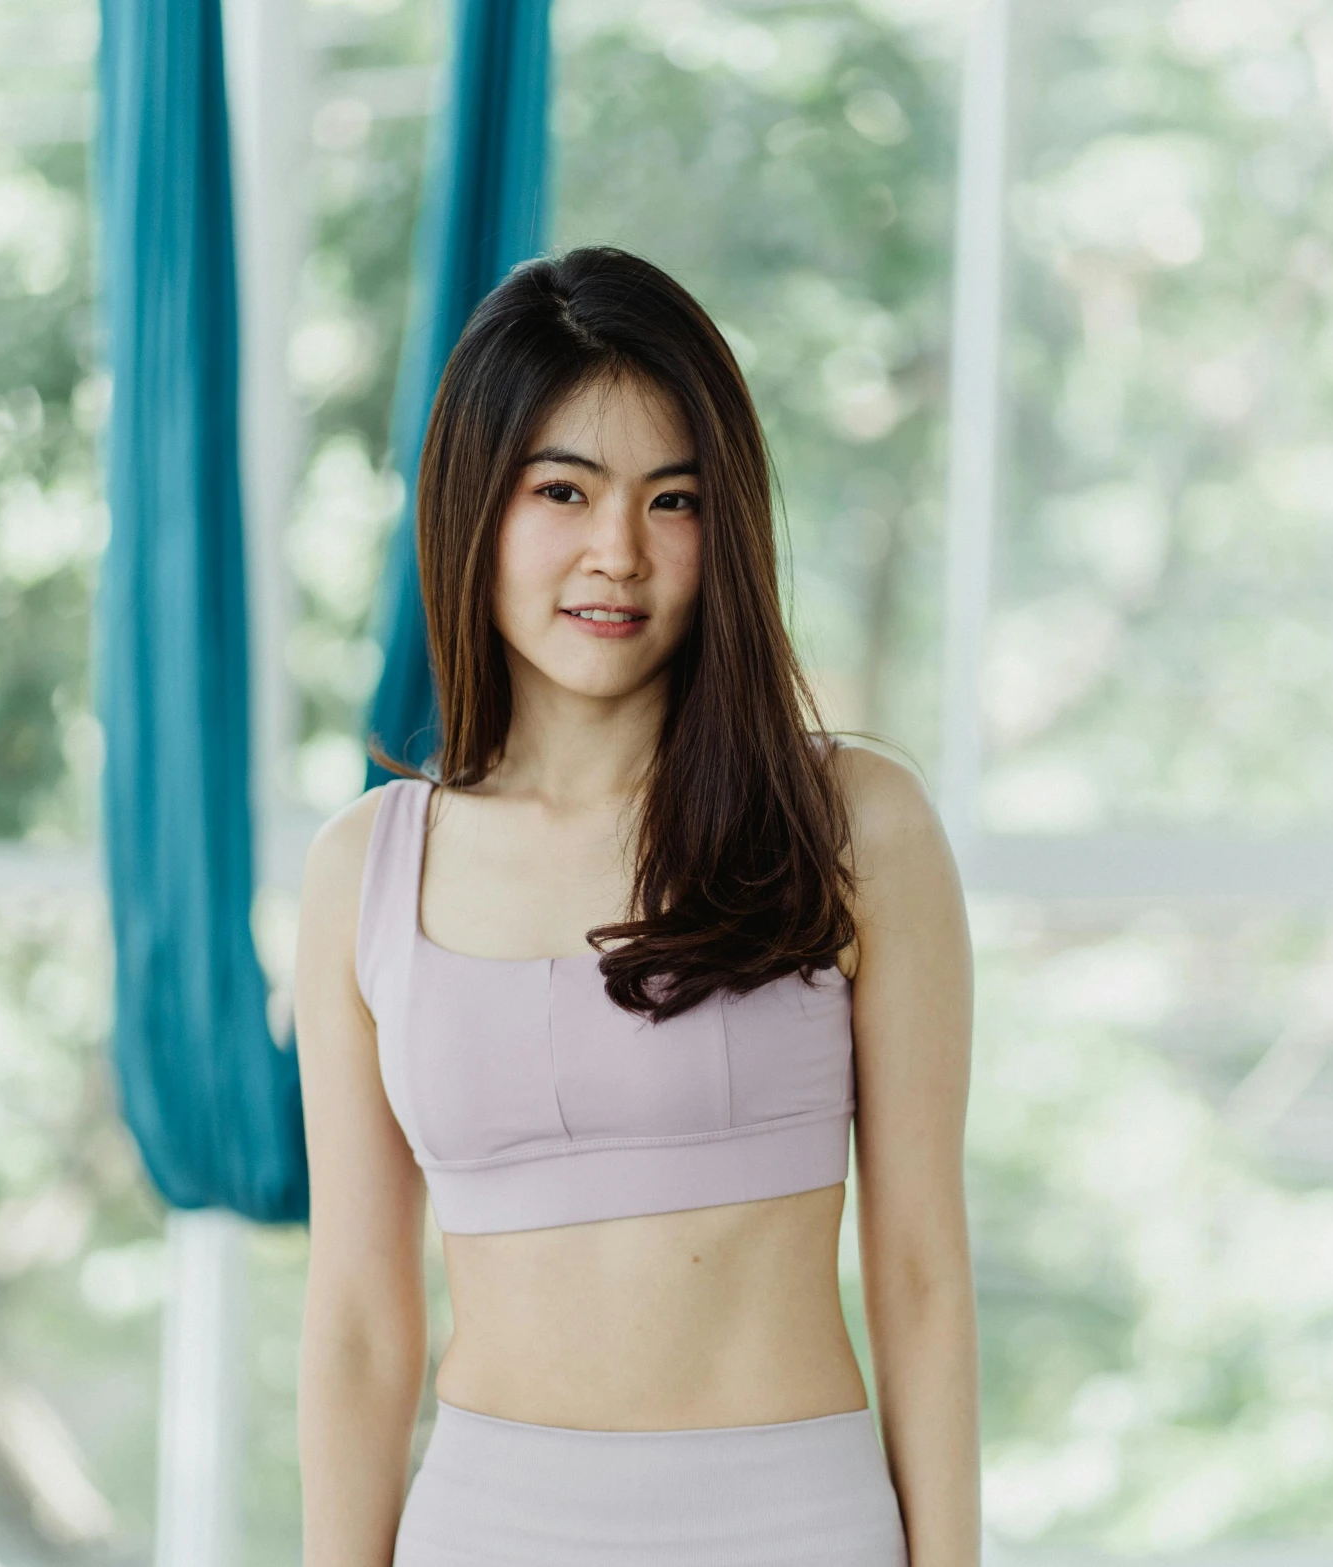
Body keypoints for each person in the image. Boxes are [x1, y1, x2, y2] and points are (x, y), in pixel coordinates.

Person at [292, 244, 979, 1567]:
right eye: (565, 490)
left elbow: (920, 1275)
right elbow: (359, 1326)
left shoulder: (855, 828)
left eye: (673, 501)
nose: (618, 552)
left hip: (796, 1523)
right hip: (484, 1527)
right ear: (473, 510)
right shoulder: (362, 869)